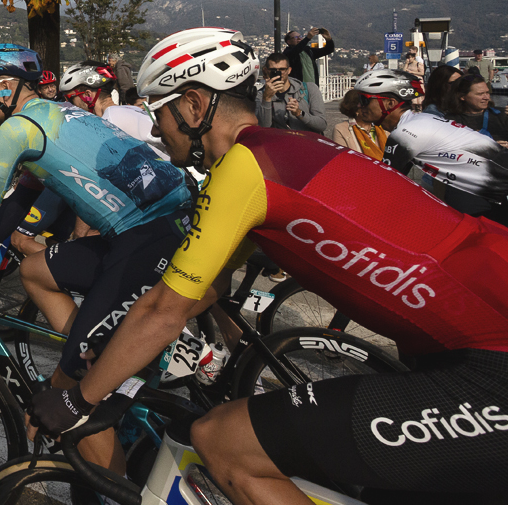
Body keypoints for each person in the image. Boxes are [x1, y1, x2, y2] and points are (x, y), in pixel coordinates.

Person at [28, 27, 508, 503]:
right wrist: (116, 364)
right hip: (465, 338)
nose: (155, 129)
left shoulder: (242, 170)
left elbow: (164, 310)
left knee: (223, 440)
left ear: (194, 105)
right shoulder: (285, 148)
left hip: (488, 357)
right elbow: (204, 286)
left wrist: (76, 397)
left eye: (160, 112)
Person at [0, 43, 193, 471]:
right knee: (36, 270)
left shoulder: (17, 129)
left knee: (68, 394)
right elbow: (17, 206)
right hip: (162, 220)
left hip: (149, 236)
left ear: (5, 89)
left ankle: (110, 475)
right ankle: (101, 353)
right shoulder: (56, 113)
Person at [356, 70, 507, 224]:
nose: (359, 105)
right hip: (494, 192)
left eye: (364, 99)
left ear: (389, 103)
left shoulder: (406, 132)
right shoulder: (420, 120)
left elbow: (383, 185)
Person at [255, 52, 326, 133]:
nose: (279, 73)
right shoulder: (260, 96)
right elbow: (263, 127)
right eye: (273, 70)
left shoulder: (309, 89)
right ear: (267, 71)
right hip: (282, 143)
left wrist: (299, 113)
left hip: (307, 142)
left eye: (282, 69)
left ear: (289, 70)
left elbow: (322, 125)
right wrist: (266, 99)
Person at [443, 74, 508, 145]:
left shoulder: (502, 115)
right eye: (480, 94)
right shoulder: (450, 121)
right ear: (462, 96)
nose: (486, 97)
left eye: (487, 92)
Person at [330, 88, 387, 160]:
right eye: (367, 104)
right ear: (357, 109)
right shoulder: (341, 129)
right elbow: (342, 159)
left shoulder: (383, 127)